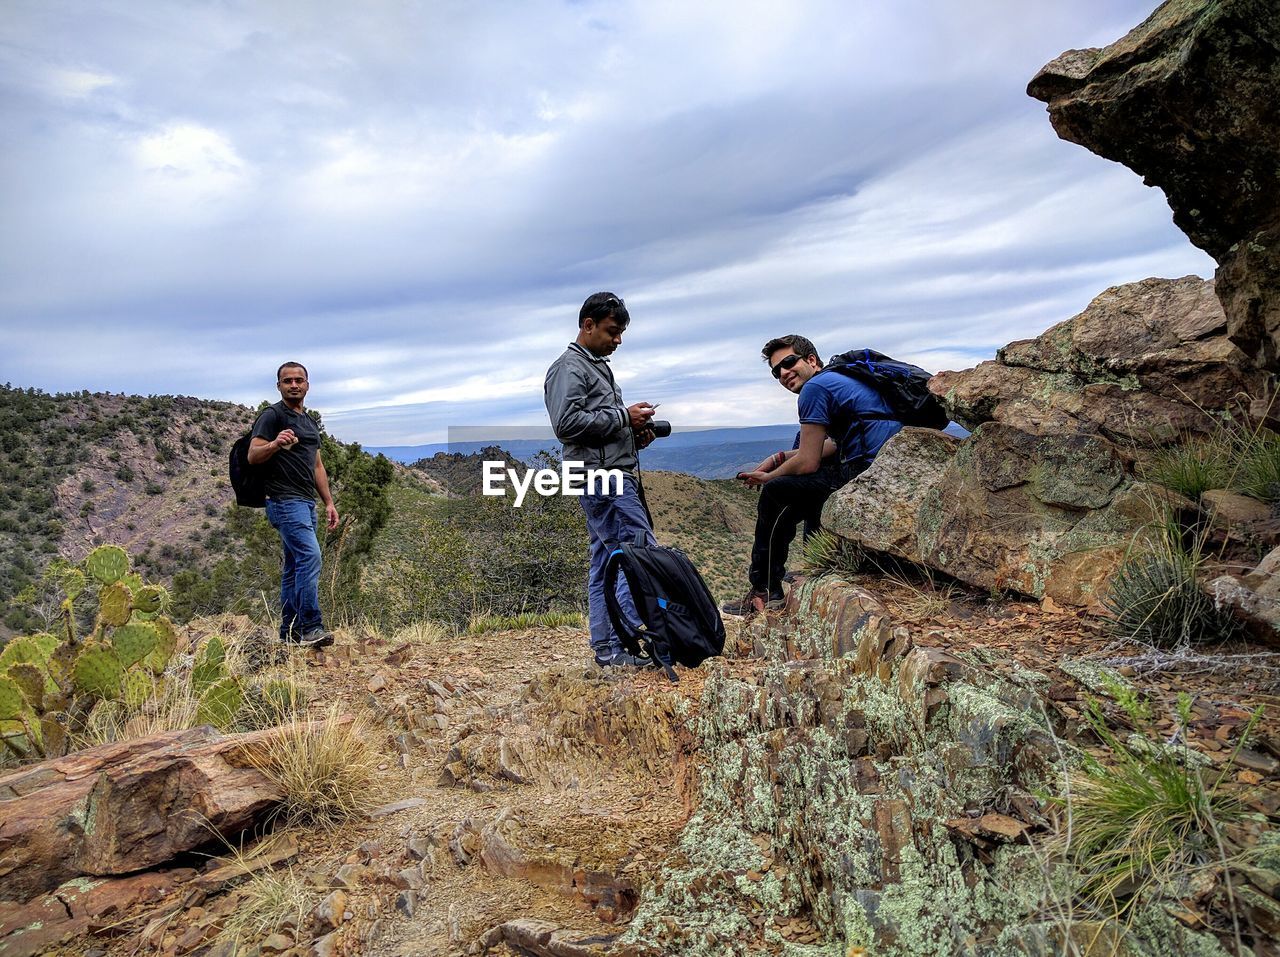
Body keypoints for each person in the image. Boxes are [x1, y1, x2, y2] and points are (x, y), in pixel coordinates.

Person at [721, 335, 903, 617]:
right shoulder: (838, 379)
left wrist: (769, 478)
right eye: (776, 371)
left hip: (867, 472)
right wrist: (777, 458)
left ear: (811, 360)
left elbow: (807, 462)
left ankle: (765, 590)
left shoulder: (815, 388)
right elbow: (830, 446)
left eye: (788, 363)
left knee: (778, 492)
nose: (783, 373)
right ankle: (816, 567)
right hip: (885, 466)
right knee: (807, 480)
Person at [544, 292, 658, 668]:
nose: (618, 340)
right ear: (587, 325)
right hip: (601, 477)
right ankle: (623, 642)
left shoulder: (594, 366)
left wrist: (634, 432)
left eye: (622, 332)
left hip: (604, 472)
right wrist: (624, 418)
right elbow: (567, 425)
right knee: (635, 553)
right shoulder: (570, 367)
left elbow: (595, 425)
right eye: (612, 331)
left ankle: (609, 648)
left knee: (607, 558)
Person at [248, 362, 340, 647]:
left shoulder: (309, 422)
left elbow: (317, 465)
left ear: (308, 385)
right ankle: (311, 626)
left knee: (294, 567)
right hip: (284, 501)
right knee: (311, 558)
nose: (294, 385)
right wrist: (275, 444)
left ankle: (289, 633)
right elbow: (253, 455)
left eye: (299, 380)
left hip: (306, 502)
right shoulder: (272, 416)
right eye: (287, 381)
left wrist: (328, 502)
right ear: (279, 386)